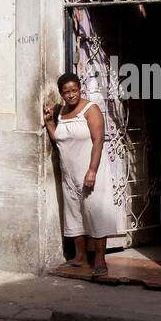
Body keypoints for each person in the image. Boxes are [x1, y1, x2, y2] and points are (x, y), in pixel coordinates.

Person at [43, 71, 120, 277]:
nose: (71, 95)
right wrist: (50, 122)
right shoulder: (61, 114)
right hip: (69, 173)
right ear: (61, 93)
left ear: (80, 89)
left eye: (74, 90)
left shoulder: (90, 109)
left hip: (90, 172)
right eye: (66, 92)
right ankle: (80, 257)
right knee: (74, 214)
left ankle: (100, 259)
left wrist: (92, 170)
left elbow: (98, 140)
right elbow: (59, 140)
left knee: (95, 212)